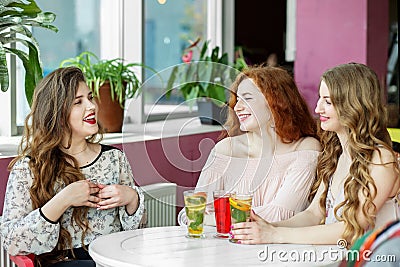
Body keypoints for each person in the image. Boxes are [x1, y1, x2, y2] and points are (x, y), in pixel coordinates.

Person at [231, 62, 400, 246]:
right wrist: (269, 227)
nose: (318, 109)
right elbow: (313, 214)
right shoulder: (337, 154)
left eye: (327, 101)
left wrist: (274, 235)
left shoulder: (381, 160)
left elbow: (352, 230)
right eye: (320, 98)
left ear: (354, 105)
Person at [1, 67, 144, 267]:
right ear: (57, 113)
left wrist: (132, 198)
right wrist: (64, 199)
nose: (91, 106)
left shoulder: (115, 159)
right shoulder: (28, 167)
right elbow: (13, 242)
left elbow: (137, 236)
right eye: (78, 102)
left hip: (113, 259)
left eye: (90, 97)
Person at [191, 65, 321, 223]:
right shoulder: (225, 150)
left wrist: (215, 219)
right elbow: (193, 213)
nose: (237, 107)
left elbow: (279, 214)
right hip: (225, 245)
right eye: (237, 100)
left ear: (276, 101)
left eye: (247, 98)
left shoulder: (305, 148)